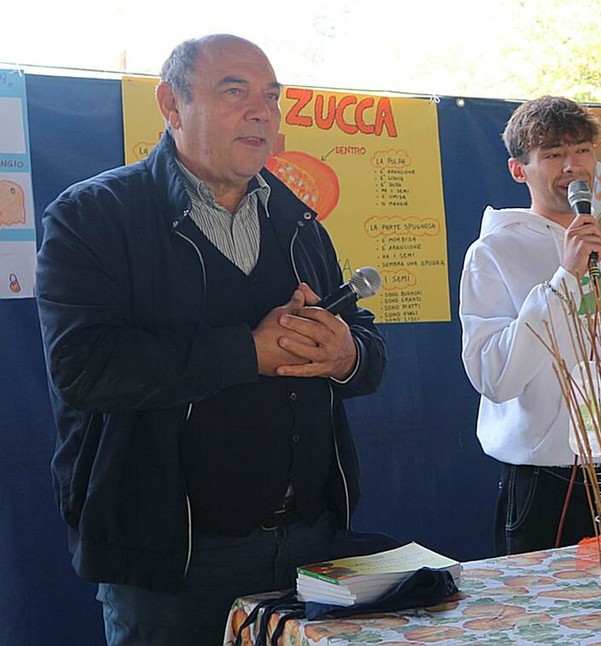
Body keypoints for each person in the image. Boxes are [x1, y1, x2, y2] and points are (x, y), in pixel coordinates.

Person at [35, 34, 386, 645]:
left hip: (312, 544)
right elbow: (83, 368)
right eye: (234, 91)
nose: (261, 112)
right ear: (171, 105)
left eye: (271, 96)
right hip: (173, 560)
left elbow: (368, 352)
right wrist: (249, 351)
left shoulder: (299, 221)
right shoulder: (94, 215)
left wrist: (345, 354)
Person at [459, 96, 601, 556]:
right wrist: (565, 280)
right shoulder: (493, 252)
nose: (572, 166)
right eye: (554, 154)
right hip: (547, 481)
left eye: (582, 150)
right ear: (519, 170)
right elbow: (494, 377)